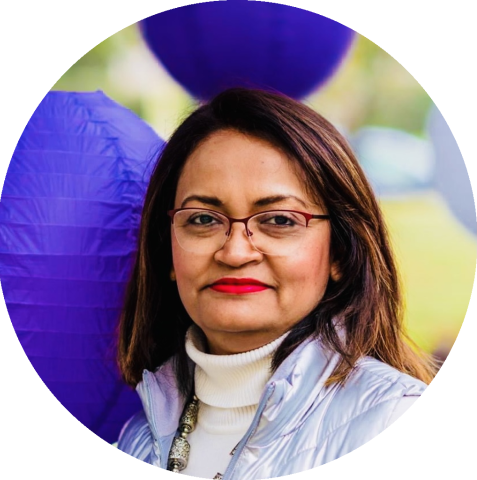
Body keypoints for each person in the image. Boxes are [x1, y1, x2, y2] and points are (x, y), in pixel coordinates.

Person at [116, 87, 436, 477]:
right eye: (203, 219)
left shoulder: (388, 416)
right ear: (166, 250)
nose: (235, 253)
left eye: (280, 220)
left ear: (339, 253)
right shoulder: (137, 439)